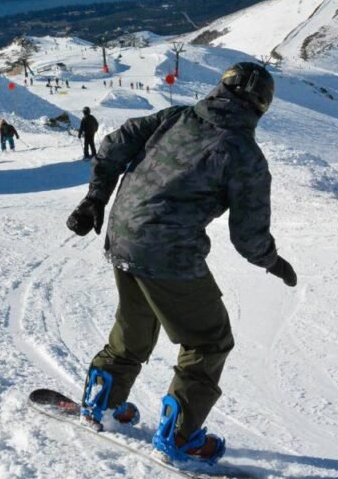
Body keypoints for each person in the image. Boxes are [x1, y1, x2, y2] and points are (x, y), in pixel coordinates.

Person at [65, 62, 297, 465]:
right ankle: (180, 435)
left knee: (136, 323)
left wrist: (95, 198)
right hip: (168, 253)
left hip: (123, 236)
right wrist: (272, 261)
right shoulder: (244, 154)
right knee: (209, 340)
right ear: (261, 105)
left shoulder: (175, 117)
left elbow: (114, 144)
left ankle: (102, 400)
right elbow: (248, 236)